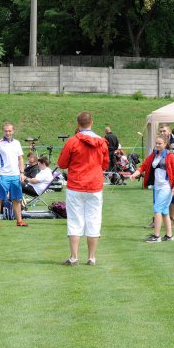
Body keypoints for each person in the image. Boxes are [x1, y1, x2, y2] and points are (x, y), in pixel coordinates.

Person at [57, 111, 109, 266]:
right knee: (94, 220)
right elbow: (105, 164)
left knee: (75, 220)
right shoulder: (102, 142)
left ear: (78, 124)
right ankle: (91, 257)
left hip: (76, 184)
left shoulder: (73, 141)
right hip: (94, 185)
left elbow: (62, 163)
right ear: (91, 122)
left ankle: (74, 257)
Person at [130, 135, 174, 242]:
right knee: (164, 211)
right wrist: (135, 174)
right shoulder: (154, 155)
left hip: (166, 187)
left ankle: (156, 236)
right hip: (157, 187)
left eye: (159, 143)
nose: (157, 145)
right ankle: (169, 236)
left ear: (165, 144)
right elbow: (144, 165)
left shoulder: (171, 156)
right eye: (156, 143)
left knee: (157, 209)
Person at [0, 122, 28, 227]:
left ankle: (19, 221)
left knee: (17, 199)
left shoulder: (17, 143)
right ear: (3, 131)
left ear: (13, 131)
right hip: (3, 175)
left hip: (16, 175)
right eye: (6, 131)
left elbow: (20, 158)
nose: (8, 133)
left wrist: (22, 173)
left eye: (10, 131)